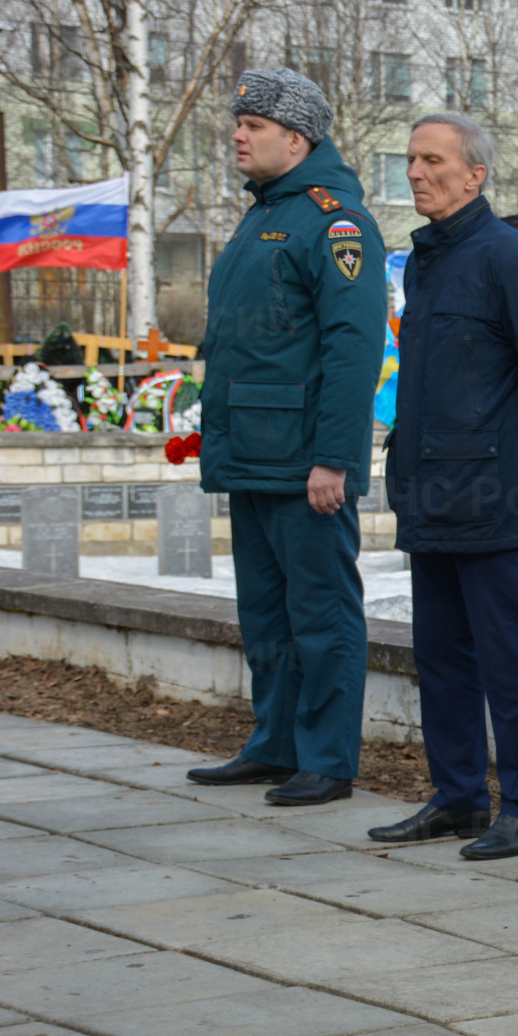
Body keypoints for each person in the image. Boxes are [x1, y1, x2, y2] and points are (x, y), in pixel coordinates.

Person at [366, 114, 518, 857]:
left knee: (508, 658)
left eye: (432, 160)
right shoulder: (423, 261)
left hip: (492, 493)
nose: (417, 172)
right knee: (441, 655)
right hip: (428, 492)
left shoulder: (507, 258)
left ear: (475, 174)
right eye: (411, 159)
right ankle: (456, 796)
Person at [186, 70, 385, 807]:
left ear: (296, 140)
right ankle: (274, 743)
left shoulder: (334, 222)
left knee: (322, 611)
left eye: (254, 125)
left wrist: (334, 456)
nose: (238, 134)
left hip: (305, 461)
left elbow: (354, 347)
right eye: (238, 121)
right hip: (252, 454)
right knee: (265, 612)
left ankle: (327, 758)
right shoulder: (264, 214)